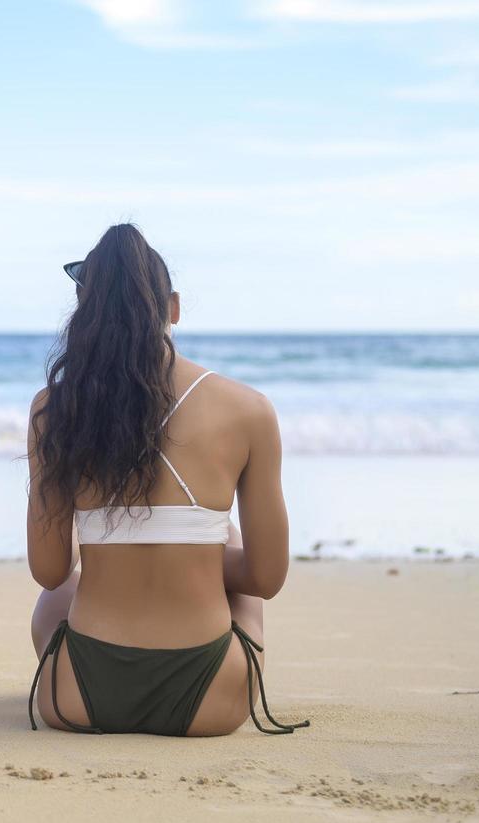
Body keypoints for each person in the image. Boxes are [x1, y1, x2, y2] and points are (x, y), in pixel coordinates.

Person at [25, 224, 308, 737]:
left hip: (81, 695)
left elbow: (49, 570)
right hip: (210, 700)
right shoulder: (248, 409)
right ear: (172, 307)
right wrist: (197, 553)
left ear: (83, 313)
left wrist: (113, 546)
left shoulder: (54, 409)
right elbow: (267, 578)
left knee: (61, 592)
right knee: (234, 540)